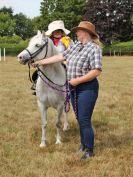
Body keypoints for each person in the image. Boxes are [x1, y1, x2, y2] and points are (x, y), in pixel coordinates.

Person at [32, 21, 102, 160]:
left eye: (79, 31)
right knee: (79, 118)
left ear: (86, 33)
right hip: (74, 88)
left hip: (87, 88)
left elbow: (96, 71)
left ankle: (89, 150)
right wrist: (40, 62)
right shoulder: (77, 46)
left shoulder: (94, 49)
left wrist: (77, 81)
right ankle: (83, 145)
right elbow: (61, 57)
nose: (76, 33)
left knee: (84, 119)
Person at [31, 20, 72, 94]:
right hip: (49, 61)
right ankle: (36, 87)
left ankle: (69, 88)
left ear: (62, 32)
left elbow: (70, 51)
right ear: (52, 32)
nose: (57, 32)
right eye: (55, 31)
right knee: (37, 73)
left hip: (63, 61)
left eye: (59, 31)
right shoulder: (48, 41)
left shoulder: (66, 40)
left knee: (69, 72)